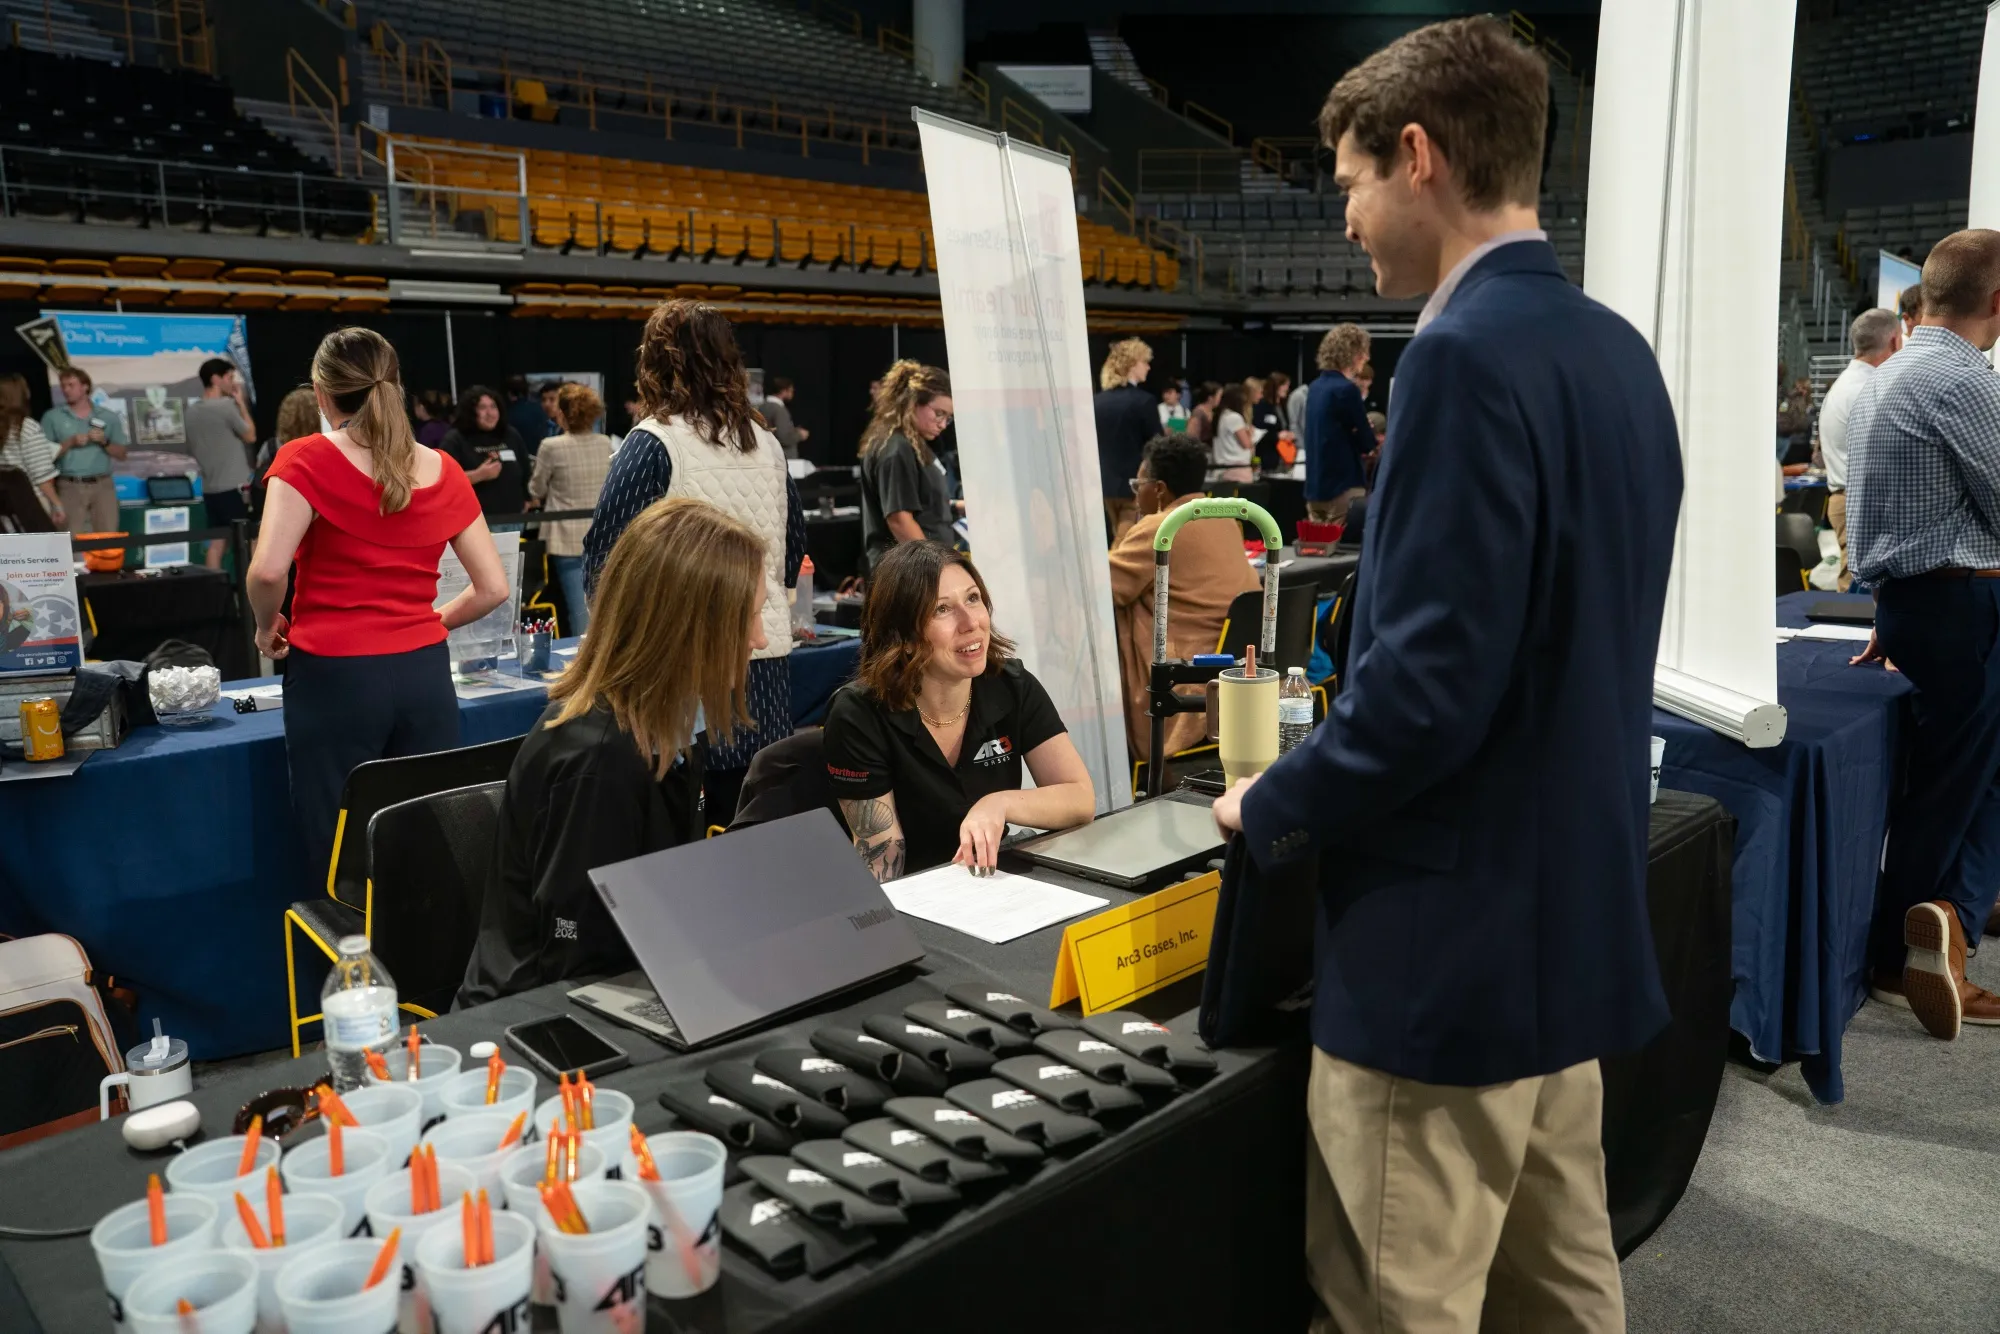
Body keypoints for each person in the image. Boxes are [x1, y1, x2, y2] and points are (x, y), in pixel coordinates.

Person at [1212, 19, 1682, 1329]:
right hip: (1560, 940)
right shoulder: (1612, 352)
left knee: (1396, 1304)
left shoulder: (1463, 358)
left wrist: (1275, 800)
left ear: (1416, 155)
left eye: (1351, 179)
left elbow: (1425, 695)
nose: (1349, 217)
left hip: (1443, 969)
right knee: (1566, 1300)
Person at [458, 497, 767, 1005]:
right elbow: (576, 960)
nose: (758, 638)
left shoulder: (669, 729)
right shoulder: (600, 763)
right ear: (689, 631)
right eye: (747, 619)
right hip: (540, 1017)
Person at [248, 327, 509, 886]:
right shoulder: (443, 468)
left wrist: (266, 626)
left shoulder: (305, 460)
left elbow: (269, 571)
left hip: (334, 678)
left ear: (322, 393)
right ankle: (429, 965)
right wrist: (422, 623)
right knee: (428, 837)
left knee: (337, 847)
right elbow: (493, 588)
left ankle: (357, 966)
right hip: (424, 674)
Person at [1848, 229, 2000, 1039]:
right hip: (1962, 606)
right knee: (1950, 789)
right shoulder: (1962, 380)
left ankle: (1953, 921)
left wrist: (1887, 606)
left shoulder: (1893, 370)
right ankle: (1908, 943)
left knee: (1966, 777)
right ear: (1997, 304)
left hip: (1919, 602)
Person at [582, 299, 803, 824]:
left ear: (655, 362)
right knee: (754, 819)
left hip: (686, 668)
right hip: (763, 660)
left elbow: (609, 565)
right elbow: (794, 549)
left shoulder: (653, 443)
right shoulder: (767, 444)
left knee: (687, 820)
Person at [824, 540, 1095, 878]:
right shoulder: (858, 714)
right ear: (904, 636)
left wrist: (999, 803)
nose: (970, 622)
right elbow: (883, 861)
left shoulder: (1013, 685)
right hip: (920, 893)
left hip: (998, 879)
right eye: (942, 609)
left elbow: (1080, 799)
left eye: (972, 598)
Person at [1108, 432, 1260, 765]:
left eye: (1139, 485)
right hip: (1236, 672)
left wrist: (1123, 527)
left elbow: (1105, 588)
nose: (1136, 496)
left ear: (1159, 488)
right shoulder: (1226, 517)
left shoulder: (1163, 527)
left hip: (1185, 685)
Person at [1817, 308, 1901, 593]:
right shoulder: (1868, 389)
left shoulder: (1846, 385)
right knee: (1857, 597)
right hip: (1860, 504)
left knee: (1856, 590)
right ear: (1894, 342)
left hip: (1848, 499)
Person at [527, 383, 614, 635]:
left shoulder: (551, 446)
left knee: (579, 613)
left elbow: (536, 489)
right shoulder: (605, 443)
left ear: (562, 412)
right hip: (602, 536)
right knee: (603, 609)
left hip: (566, 539)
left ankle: (583, 666)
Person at [857, 361, 957, 569]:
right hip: (905, 574)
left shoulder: (914, 444)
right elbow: (900, 519)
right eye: (938, 413)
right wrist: (936, 569)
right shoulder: (896, 447)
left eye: (948, 418)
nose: (942, 424)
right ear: (913, 403)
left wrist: (955, 507)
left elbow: (920, 504)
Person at [185, 357, 257, 567]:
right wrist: (241, 403)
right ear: (215, 379)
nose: (232, 382)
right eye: (229, 377)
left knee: (217, 544)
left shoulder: (191, 412)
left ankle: (213, 595)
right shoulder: (225, 407)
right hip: (235, 488)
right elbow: (250, 435)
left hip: (210, 489)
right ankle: (250, 597)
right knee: (249, 541)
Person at [1304, 324, 1377, 525]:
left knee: (1318, 550)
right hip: (1344, 486)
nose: (1367, 358)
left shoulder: (1315, 388)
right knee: (1343, 553)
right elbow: (1367, 442)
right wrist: (1361, 431)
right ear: (1354, 354)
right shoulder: (1347, 390)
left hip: (1315, 486)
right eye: (1364, 353)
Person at [43, 366, 125, 534]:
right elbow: (43, 457)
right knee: (70, 540)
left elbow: (122, 454)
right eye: (63, 386)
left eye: (71, 385)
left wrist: (104, 441)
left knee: (108, 537)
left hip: (103, 486)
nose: (66, 390)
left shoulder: (108, 417)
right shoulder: (52, 417)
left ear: (85, 386)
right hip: (69, 486)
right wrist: (69, 442)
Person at [1094, 338, 1157, 542]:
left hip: (1103, 483)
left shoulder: (1096, 402)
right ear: (1131, 364)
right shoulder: (1143, 401)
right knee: (1127, 544)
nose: (1148, 367)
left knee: (1118, 537)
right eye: (1144, 361)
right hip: (1134, 485)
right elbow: (1156, 446)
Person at [440, 385, 529, 516]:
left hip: (515, 517)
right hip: (475, 519)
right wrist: (479, 475)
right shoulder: (455, 439)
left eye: (493, 406)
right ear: (470, 411)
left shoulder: (510, 434)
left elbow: (526, 470)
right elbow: (445, 481)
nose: (490, 413)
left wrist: (528, 498)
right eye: (482, 408)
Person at [0, 375, 61, 527]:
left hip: (5, 506)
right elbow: (42, 476)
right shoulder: (27, 427)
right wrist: (57, 505)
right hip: (31, 505)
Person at [504, 374, 556, 457]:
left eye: (552, 399)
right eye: (543, 400)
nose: (547, 404)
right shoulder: (542, 417)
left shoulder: (507, 414)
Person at [761, 375, 810, 458]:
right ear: (783, 391)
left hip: (769, 455)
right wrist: (800, 434)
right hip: (783, 457)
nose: (792, 394)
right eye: (791, 391)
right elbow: (783, 438)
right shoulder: (778, 409)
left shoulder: (762, 406)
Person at [1212, 383, 1257, 469]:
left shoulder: (1221, 415)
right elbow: (1246, 444)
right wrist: (1250, 433)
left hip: (1223, 465)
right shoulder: (1234, 417)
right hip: (1236, 467)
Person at [1186, 380, 1222, 445]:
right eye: (1219, 396)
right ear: (1210, 398)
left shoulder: (1215, 411)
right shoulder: (1198, 412)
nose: (1221, 399)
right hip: (1202, 451)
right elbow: (1191, 435)